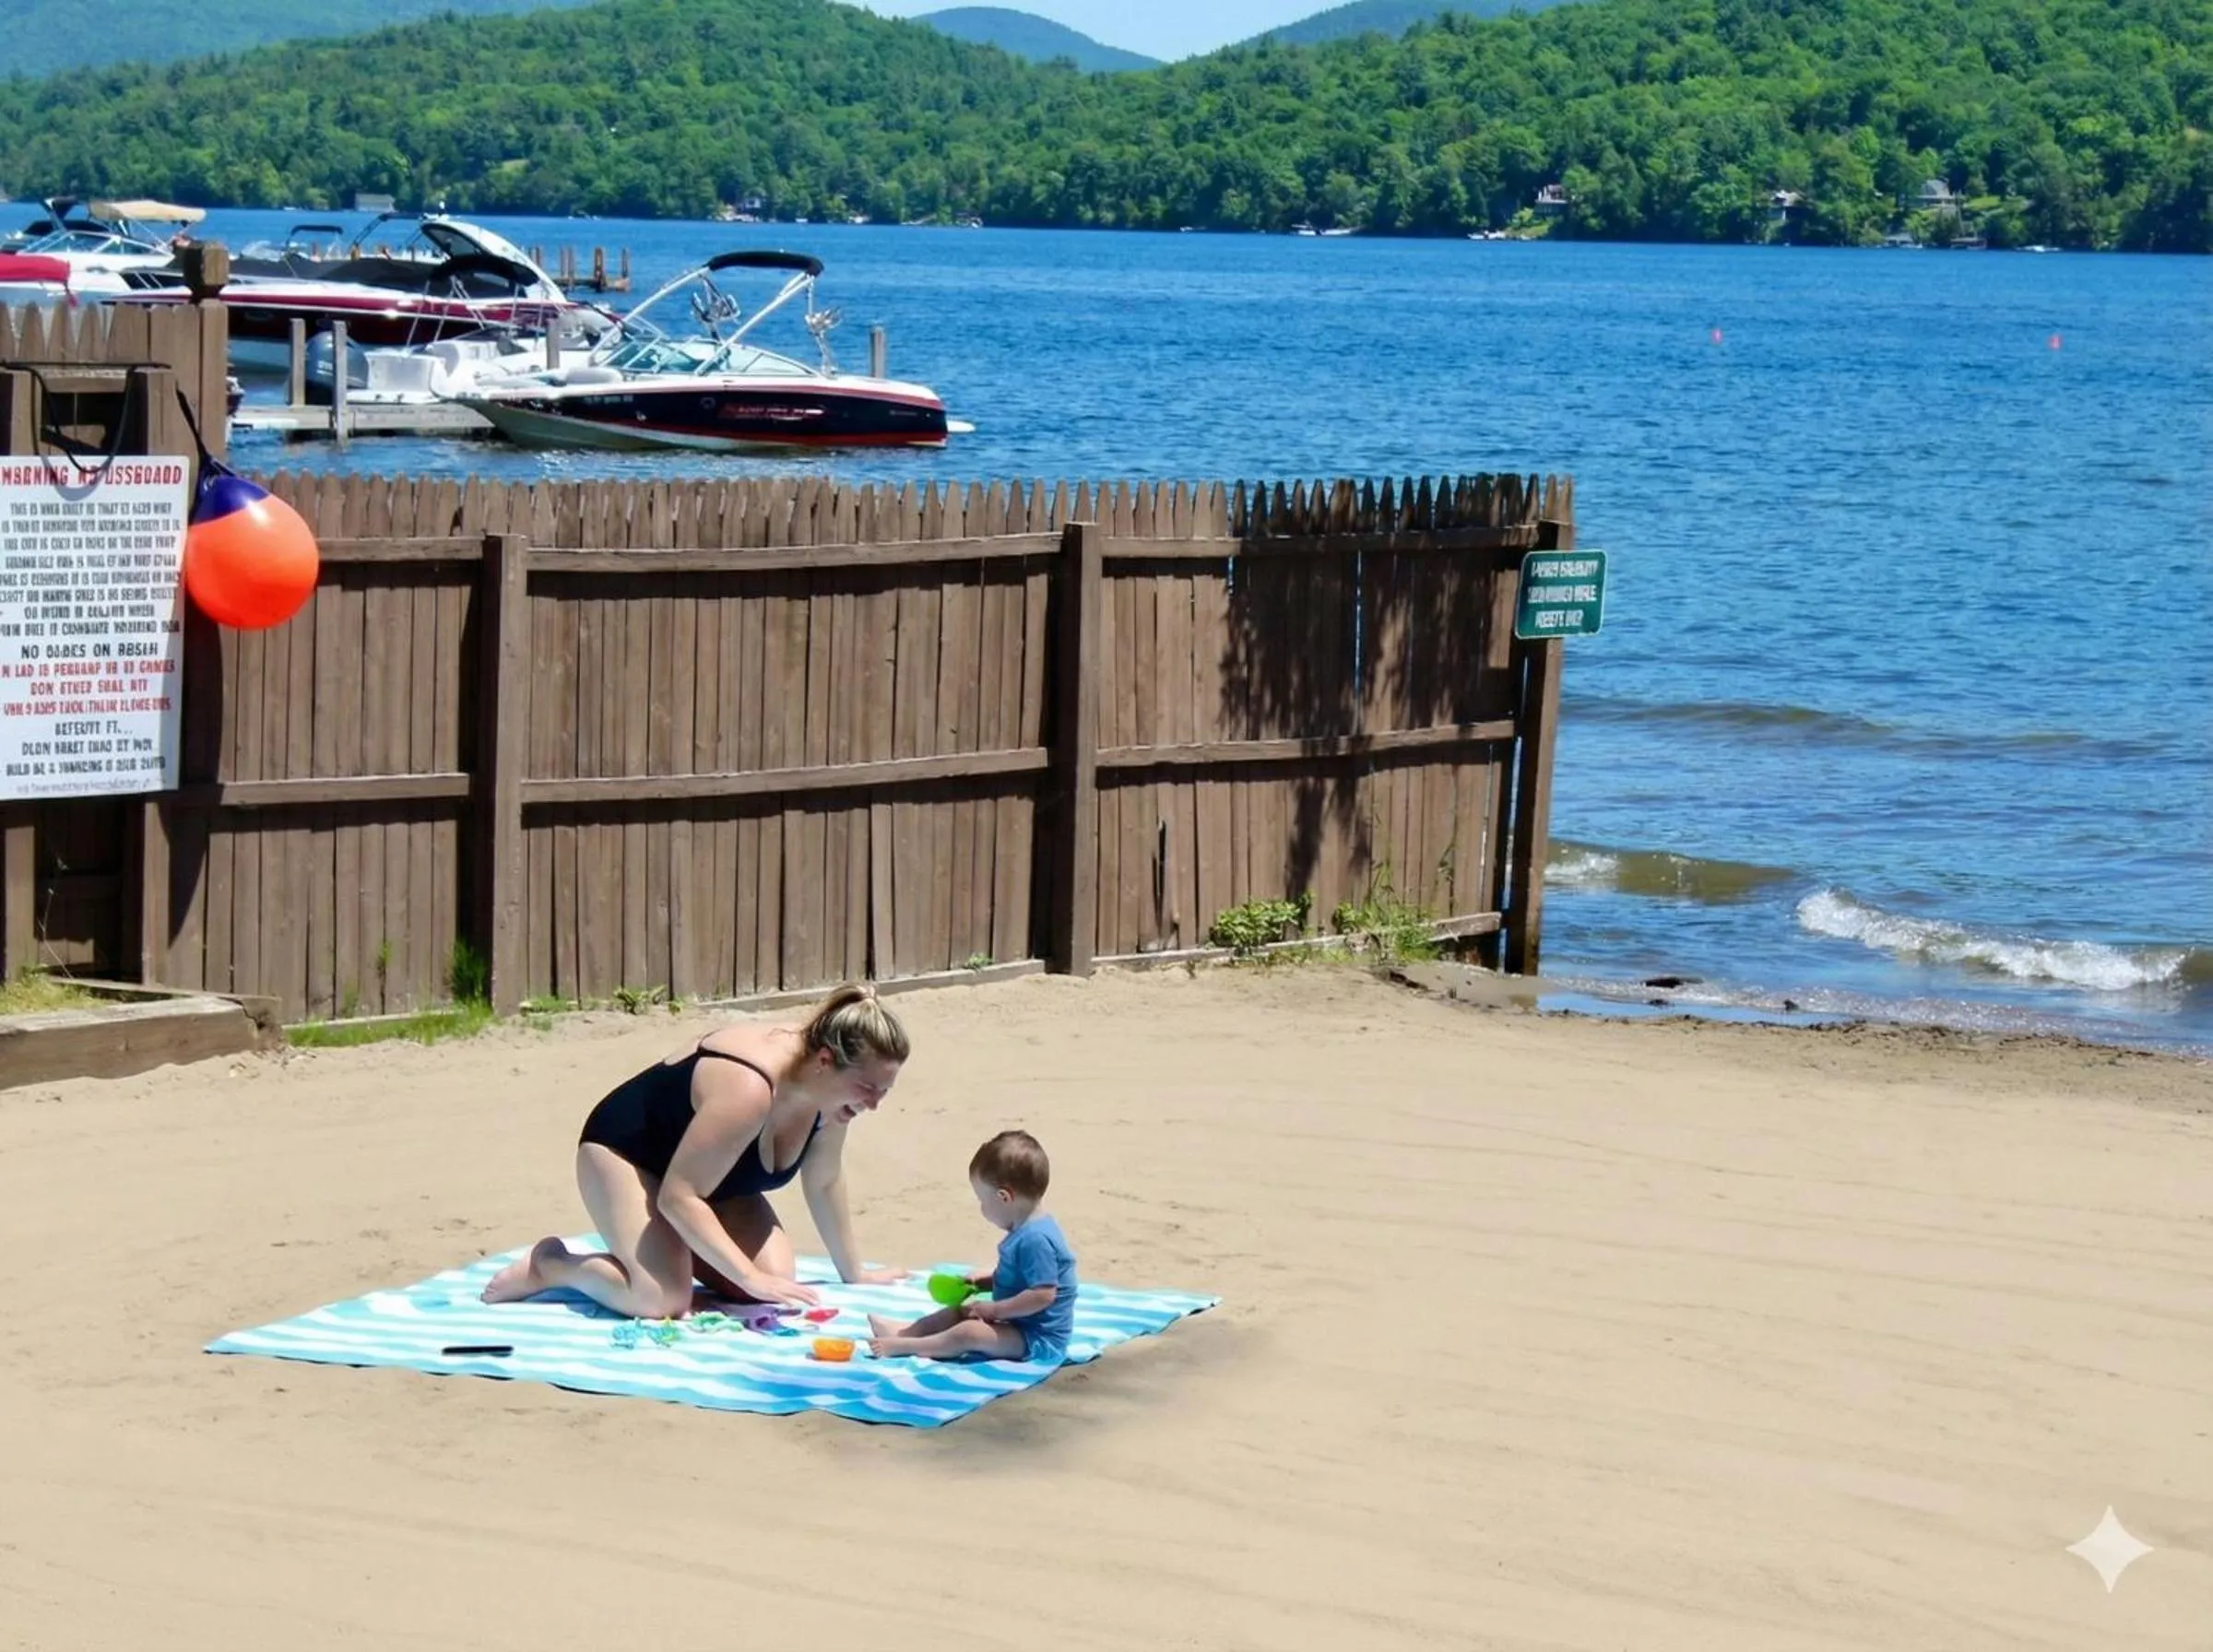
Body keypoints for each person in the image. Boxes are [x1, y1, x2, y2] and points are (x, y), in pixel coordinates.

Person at [482, 983, 913, 1318]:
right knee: (661, 1298)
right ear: (824, 1061)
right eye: (868, 1088)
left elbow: (823, 1181)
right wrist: (746, 1273)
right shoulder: (749, 1087)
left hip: (709, 1178)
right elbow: (678, 1197)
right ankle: (552, 1265)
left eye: (884, 1091)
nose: (873, 1103)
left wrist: (853, 1273)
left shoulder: (831, 1098)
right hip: (629, 1156)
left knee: (774, 1282)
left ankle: (664, 1250)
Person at [869, 1129, 1077, 1364]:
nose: (982, 1208)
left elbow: (1042, 1295)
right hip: (1017, 1323)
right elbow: (1021, 1280)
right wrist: (983, 1283)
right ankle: (905, 1331)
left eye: (982, 1200)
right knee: (960, 1311)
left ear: (1003, 1198)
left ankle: (908, 1345)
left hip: (1038, 1339)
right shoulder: (1026, 1230)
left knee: (970, 1332)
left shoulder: (1035, 1240)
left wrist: (996, 1310)